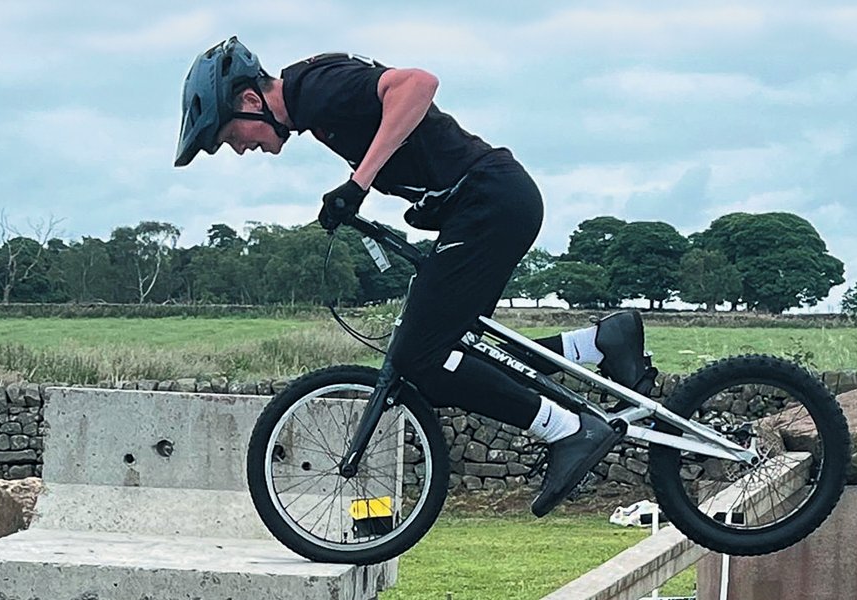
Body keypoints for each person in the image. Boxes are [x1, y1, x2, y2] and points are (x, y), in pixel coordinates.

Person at [174, 37, 656, 516]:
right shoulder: (314, 105)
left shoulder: (315, 88)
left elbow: (418, 84)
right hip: (486, 204)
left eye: (229, 135)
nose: (238, 149)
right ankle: (598, 343)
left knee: (421, 357)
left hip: (489, 202)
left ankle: (569, 430)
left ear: (251, 101)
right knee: (460, 351)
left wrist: (358, 184)